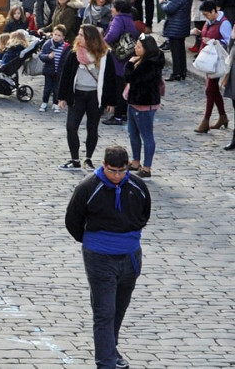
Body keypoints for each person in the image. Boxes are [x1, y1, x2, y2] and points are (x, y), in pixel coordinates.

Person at [65, 145, 151, 369]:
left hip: (130, 256)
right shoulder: (88, 187)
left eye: (122, 171)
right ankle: (106, 363)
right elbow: (73, 220)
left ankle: (111, 350)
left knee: (119, 308)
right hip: (100, 256)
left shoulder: (137, 187)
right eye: (113, 171)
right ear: (104, 165)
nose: (117, 176)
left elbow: (144, 215)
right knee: (104, 312)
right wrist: (94, 242)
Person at [57, 24, 118, 171]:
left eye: (82, 35)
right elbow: (65, 75)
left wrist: (111, 101)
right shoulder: (74, 53)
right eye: (78, 34)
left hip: (94, 96)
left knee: (92, 128)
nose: (78, 37)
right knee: (71, 127)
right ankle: (75, 159)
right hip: (77, 94)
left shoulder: (105, 55)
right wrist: (61, 97)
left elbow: (111, 79)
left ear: (90, 38)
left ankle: (88, 158)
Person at [123, 34, 164, 178]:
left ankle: (146, 168)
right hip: (134, 101)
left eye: (139, 47)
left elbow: (131, 78)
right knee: (133, 133)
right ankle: (135, 161)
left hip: (145, 104)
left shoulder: (149, 64)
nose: (135, 48)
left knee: (146, 136)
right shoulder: (141, 60)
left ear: (147, 49)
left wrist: (129, 65)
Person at [195, 1, 231, 134]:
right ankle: (223, 117)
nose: (206, 17)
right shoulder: (209, 22)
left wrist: (214, 41)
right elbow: (207, 33)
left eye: (207, 15)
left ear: (214, 11)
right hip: (208, 60)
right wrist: (199, 33)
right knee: (213, 90)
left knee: (210, 90)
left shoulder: (224, 23)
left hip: (217, 61)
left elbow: (229, 41)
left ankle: (206, 120)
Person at [158, 0, 193, 82]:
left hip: (175, 26)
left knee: (176, 52)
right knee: (180, 50)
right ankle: (182, 72)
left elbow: (169, 9)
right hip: (182, 25)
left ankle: (177, 73)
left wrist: (162, 2)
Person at [39, 25, 70, 112]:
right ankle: (44, 102)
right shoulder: (48, 44)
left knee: (57, 89)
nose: (56, 37)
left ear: (63, 37)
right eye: (55, 34)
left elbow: (67, 59)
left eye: (59, 35)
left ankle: (55, 103)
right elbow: (41, 55)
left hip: (59, 72)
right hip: (49, 71)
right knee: (47, 88)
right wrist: (48, 56)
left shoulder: (66, 47)